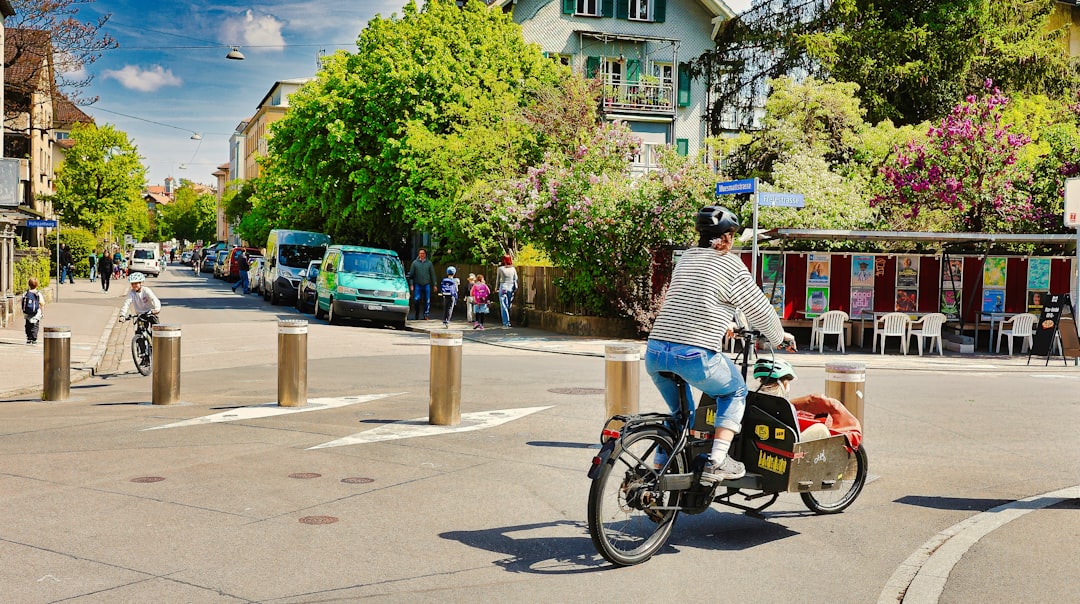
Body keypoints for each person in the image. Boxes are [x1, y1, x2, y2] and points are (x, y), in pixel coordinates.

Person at [646, 206, 795, 485]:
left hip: (655, 351)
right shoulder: (731, 264)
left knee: (681, 415)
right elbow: (759, 308)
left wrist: (729, 320)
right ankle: (717, 462)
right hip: (692, 353)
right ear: (727, 236)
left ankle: (656, 474)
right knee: (735, 390)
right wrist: (778, 337)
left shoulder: (687, 258)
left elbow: (699, 297)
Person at [752, 358, 862, 448]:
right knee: (821, 430)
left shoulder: (754, 400)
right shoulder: (783, 406)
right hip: (783, 449)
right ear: (784, 384)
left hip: (761, 446)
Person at [406, 248, 437, 320]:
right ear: (418, 254)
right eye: (420, 253)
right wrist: (411, 284)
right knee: (416, 299)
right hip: (417, 284)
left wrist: (435, 284)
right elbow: (411, 275)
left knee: (427, 300)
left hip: (426, 284)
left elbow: (433, 274)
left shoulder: (429, 263)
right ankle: (417, 313)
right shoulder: (415, 263)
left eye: (423, 253)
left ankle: (426, 314)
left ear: (425, 254)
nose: (422, 255)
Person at [495, 254, 518, 328]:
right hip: (510, 288)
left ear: (504, 260)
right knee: (508, 305)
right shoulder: (513, 269)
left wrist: (496, 288)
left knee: (503, 305)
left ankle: (506, 323)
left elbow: (498, 279)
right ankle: (508, 321)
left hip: (503, 287)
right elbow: (516, 278)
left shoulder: (500, 269)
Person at [21, 277, 43, 344]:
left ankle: (29, 337)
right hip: (36, 312)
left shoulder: (26, 293)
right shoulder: (38, 294)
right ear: (37, 285)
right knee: (35, 325)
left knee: (28, 325)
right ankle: (34, 338)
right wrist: (42, 312)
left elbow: (22, 302)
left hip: (27, 312)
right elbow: (42, 303)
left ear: (29, 284)